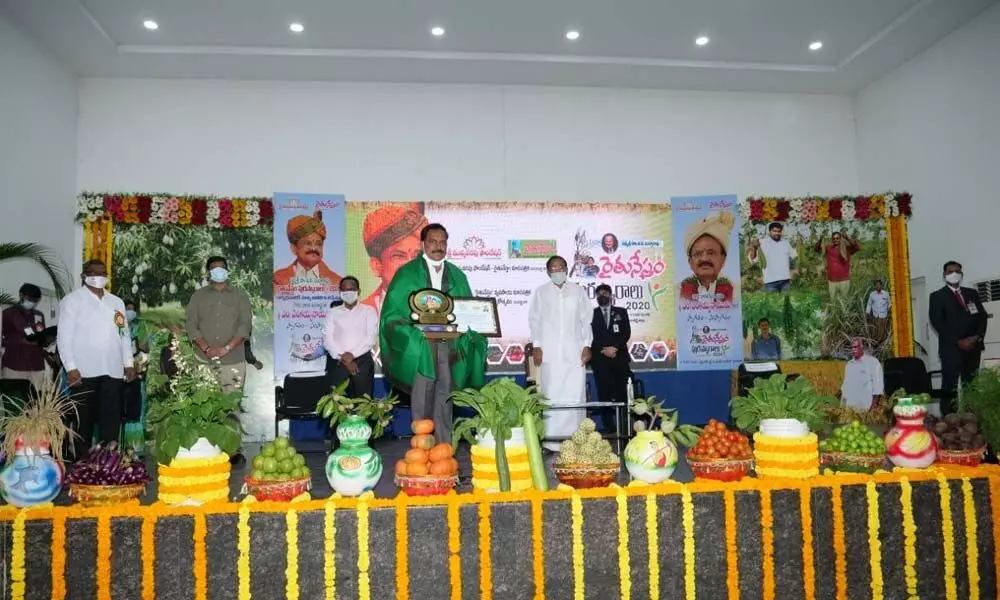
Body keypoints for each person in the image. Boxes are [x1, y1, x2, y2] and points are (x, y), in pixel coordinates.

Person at [379, 223, 487, 443]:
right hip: (421, 349)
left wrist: (477, 329)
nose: (438, 246)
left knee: (446, 397)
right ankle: (422, 449)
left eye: (442, 242)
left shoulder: (458, 275)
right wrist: (412, 334)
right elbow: (391, 315)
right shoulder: (406, 274)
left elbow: (468, 311)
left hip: (450, 347)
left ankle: (444, 449)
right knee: (423, 398)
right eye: (433, 241)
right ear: (423, 244)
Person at [56, 260, 135, 460]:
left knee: (111, 419)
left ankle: (108, 462)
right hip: (83, 372)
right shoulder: (72, 300)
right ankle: (83, 464)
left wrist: (129, 364)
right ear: (84, 275)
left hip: (113, 370)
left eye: (102, 272)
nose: (98, 276)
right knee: (84, 420)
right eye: (93, 272)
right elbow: (63, 338)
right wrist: (71, 368)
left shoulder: (116, 302)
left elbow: (123, 333)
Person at [186, 256, 253, 465]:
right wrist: (206, 348)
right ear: (208, 273)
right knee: (205, 405)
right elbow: (190, 325)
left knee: (231, 406)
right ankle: (208, 448)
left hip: (233, 360)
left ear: (227, 270)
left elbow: (245, 326)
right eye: (213, 269)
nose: (218, 272)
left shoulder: (240, 296)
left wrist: (224, 349)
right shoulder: (198, 297)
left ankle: (233, 450)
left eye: (221, 268)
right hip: (203, 360)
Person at [529, 255, 593, 451]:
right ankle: (551, 441)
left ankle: (576, 440)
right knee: (552, 395)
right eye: (553, 268)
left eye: (561, 267)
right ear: (548, 272)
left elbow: (586, 320)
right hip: (549, 353)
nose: (558, 271)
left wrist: (587, 345)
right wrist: (537, 345)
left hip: (574, 352)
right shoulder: (541, 292)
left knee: (575, 396)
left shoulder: (578, 291)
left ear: (567, 269)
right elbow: (535, 320)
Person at [929, 260, 987, 414]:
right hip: (951, 349)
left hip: (973, 348)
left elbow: (982, 317)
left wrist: (977, 337)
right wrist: (957, 341)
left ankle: (971, 419)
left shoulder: (971, 294)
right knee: (950, 386)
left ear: (961, 275)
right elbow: (937, 322)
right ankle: (949, 422)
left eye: (957, 271)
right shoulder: (937, 296)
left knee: (971, 385)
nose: (953, 274)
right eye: (949, 272)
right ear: (944, 275)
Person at [361, 205, 427, 314]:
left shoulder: (438, 306)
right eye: (399, 256)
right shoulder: (361, 313)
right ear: (377, 267)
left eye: (417, 256)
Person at [324, 276, 378, 398]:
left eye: (351, 289)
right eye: (344, 290)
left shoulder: (368, 311)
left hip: (362, 361)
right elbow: (327, 339)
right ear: (340, 292)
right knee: (336, 403)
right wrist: (342, 357)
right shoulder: (332, 312)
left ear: (358, 291)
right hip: (337, 361)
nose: (348, 292)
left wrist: (352, 355)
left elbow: (370, 338)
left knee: (363, 403)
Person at [590, 284, 631, 432]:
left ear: (611, 295)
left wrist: (614, 348)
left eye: (605, 293)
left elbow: (626, 332)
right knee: (603, 392)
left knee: (622, 391)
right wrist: (603, 350)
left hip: (619, 357)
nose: (602, 296)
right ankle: (609, 425)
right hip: (600, 360)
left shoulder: (621, 312)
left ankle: (624, 423)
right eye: (599, 294)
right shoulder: (591, 313)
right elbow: (590, 335)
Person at [1, 283, 48, 401]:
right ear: (21, 295)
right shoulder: (8, 314)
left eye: (35, 300)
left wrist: (44, 339)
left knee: (36, 402)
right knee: (14, 402)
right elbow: (5, 339)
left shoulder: (38, 315)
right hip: (15, 366)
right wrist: (23, 341)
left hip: (36, 365)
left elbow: (41, 335)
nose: (32, 302)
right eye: (29, 299)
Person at [273, 210, 342, 290]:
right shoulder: (278, 280)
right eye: (308, 243)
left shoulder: (337, 282)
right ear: (294, 249)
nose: (314, 248)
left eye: (318, 244)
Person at [679, 211, 735, 304]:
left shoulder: (737, 292)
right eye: (698, 254)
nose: (704, 258)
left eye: (711, 253)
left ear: (723, 259)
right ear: (690, 262)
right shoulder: (676, 293)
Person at [122, 299, 151, 456]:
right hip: (119, 376)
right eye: (127, 308)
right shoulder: (117, 327)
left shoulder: (140, 328)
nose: (130, 312)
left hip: (136, 375)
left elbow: (144, 348)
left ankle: (134, 447)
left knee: (136, 410)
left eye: (133, 309)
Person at [748, 222, 797, 293]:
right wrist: (754, 248)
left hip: (785, 281)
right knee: (773, 303)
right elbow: (752, 260)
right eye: (774, 231)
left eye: (779, 231)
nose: (777, 233)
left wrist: (799, 244)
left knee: (787, 303)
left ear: (781, 232)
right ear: (770, 231)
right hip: (770, 283)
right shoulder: (762, 243)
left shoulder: (786, 243)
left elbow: (795, 255)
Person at [840, 338, 884, 411]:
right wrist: (842, 406)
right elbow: (845, 387)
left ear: (862, 347)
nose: (853, 349)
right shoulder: (849, 365)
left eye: (856, 347)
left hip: (865, 409)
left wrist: (873, 408)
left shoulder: (873, 363)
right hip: (849, 410)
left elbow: (878, 388)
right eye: (852, 347)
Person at [814, 231, 860, 300]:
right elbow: (816, 249)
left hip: (844, 280)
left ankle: (842, 311)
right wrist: (820, 239)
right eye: (834, 238)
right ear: (832, 240)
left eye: (837, 238)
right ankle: (834, 311)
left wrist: (847, 238)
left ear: (841, 238)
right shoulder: (829, 248)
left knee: (844, 301)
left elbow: (856, 247)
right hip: (832, 280)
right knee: (833, 301)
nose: (836, 240)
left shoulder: (846, 248)